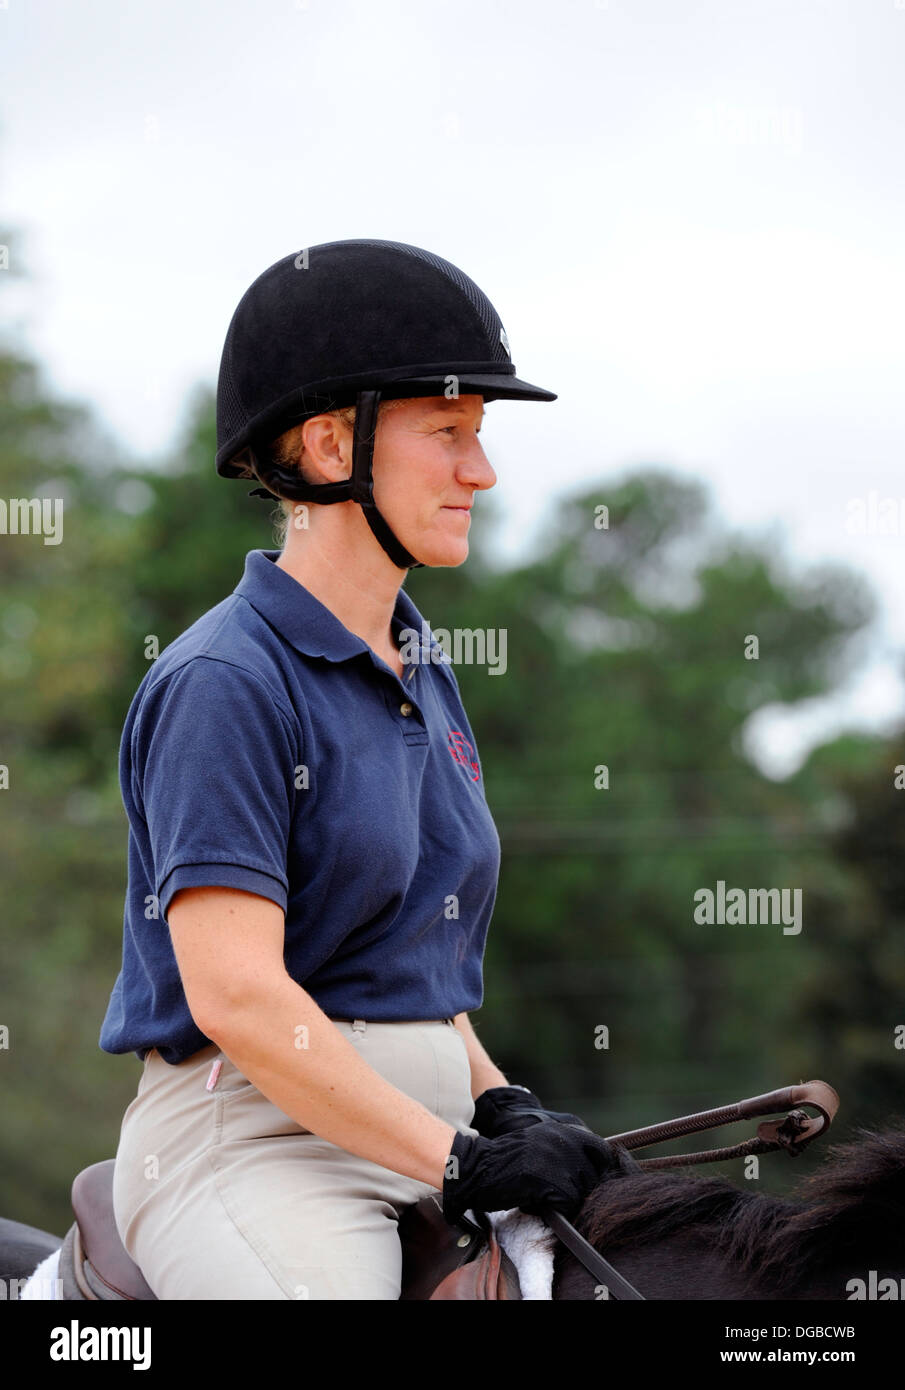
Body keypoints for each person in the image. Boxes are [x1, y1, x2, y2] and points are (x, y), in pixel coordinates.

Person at [99, 239, 624, 1300]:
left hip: (420, 1145)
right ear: (334, 442)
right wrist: (457, 1158)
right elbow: (240, 995)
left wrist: (501, 1103)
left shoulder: (423, 666)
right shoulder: (224, 681)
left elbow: (408, 969)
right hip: (256, 1151)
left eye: (478, 439)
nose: (479, 471)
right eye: (448, 434)